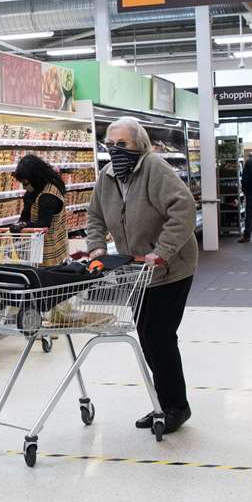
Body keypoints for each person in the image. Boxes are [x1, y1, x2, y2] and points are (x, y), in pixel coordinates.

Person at [87, 116, 199, 434]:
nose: (115, 150)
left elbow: (184, 208)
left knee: (160, 337)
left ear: (141, 144)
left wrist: (162, 250)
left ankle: (177, 407)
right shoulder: (107, 176)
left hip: (171, 268)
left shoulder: (155, 168)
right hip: (136, 271)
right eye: (110, 144)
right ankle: (163, 403)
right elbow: (94, 214)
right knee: (147, 338)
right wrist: (96, 246)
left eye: (122, 144)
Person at [10, 153, 67, 265]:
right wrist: (20, 224)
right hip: (38, 250)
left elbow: (43, 224)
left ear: (35, 177)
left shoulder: (48, 195)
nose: (24, 187)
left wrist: (22, 227)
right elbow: (26, 214)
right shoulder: (37, 189)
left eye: (25, 183)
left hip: (50, 254)